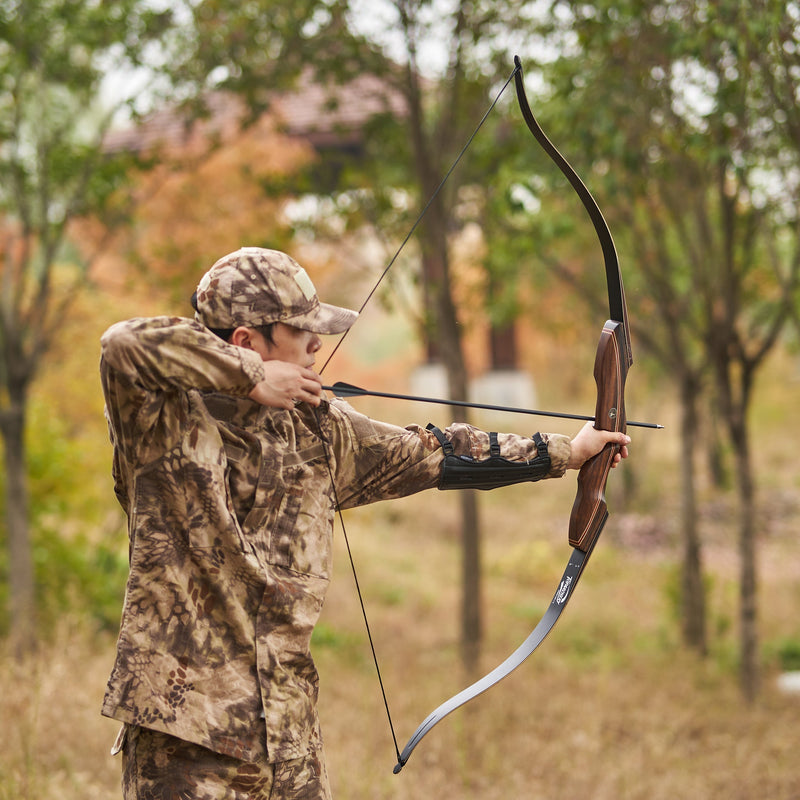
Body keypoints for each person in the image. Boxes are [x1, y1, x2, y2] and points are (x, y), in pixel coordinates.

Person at [100, 246, 630, 800]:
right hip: (186, 745)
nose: (316, 344)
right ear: (246, 341)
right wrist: (250, 376)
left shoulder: (317, 429)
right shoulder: (161, 422)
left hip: (289, 741)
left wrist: (569, 451)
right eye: (300, 330)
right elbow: (121, 345)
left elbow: (434, 452)